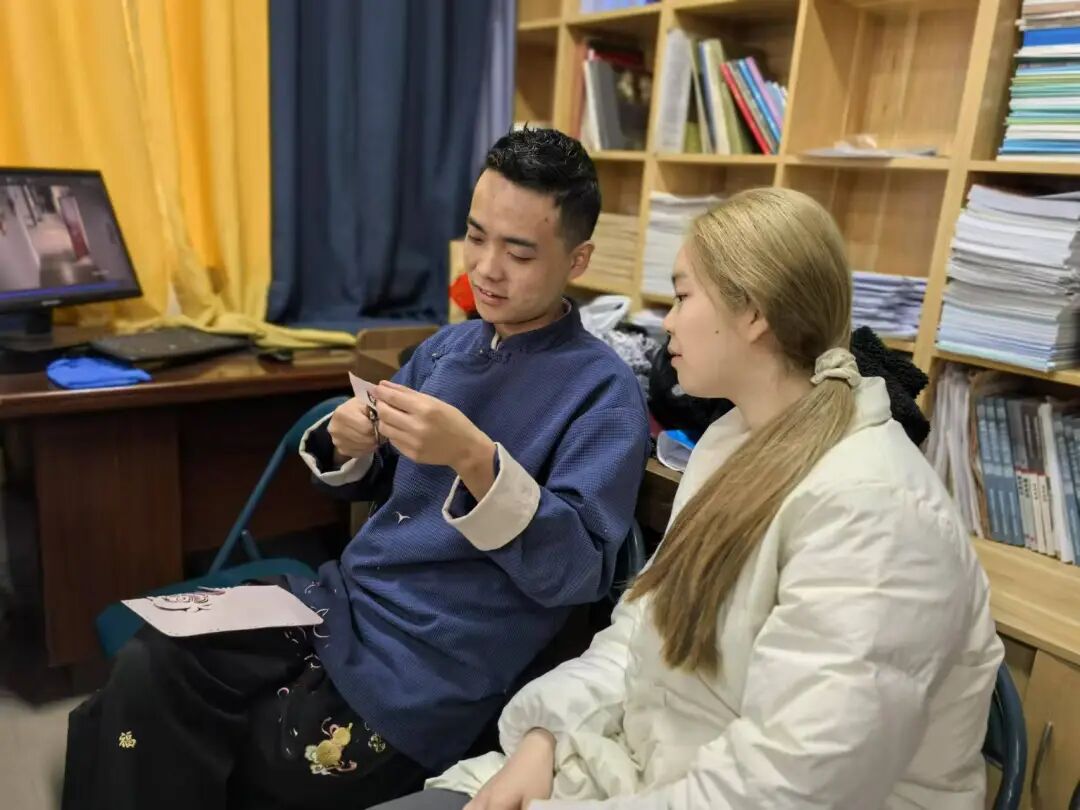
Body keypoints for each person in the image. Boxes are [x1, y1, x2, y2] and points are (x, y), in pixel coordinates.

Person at [61, 128, 651, 810]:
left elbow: (575, 573)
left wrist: (475, 459)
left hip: (429, 666)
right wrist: (350, 443)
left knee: (260, 757)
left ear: (578, 259)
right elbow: (377, 477)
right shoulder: (448, 349)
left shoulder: (603, 394)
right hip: (335, 603)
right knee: (152, 660)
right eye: (475, 236)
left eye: (519, 252)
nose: (486, 268)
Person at [379, 187, 1004, 810]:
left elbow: (783, 787)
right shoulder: (734, 441)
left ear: (753, 313)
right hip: (648, 767)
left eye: (682, 297)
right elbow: (643, 629)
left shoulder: (877, 514)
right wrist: (546, 735)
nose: (669, 323)